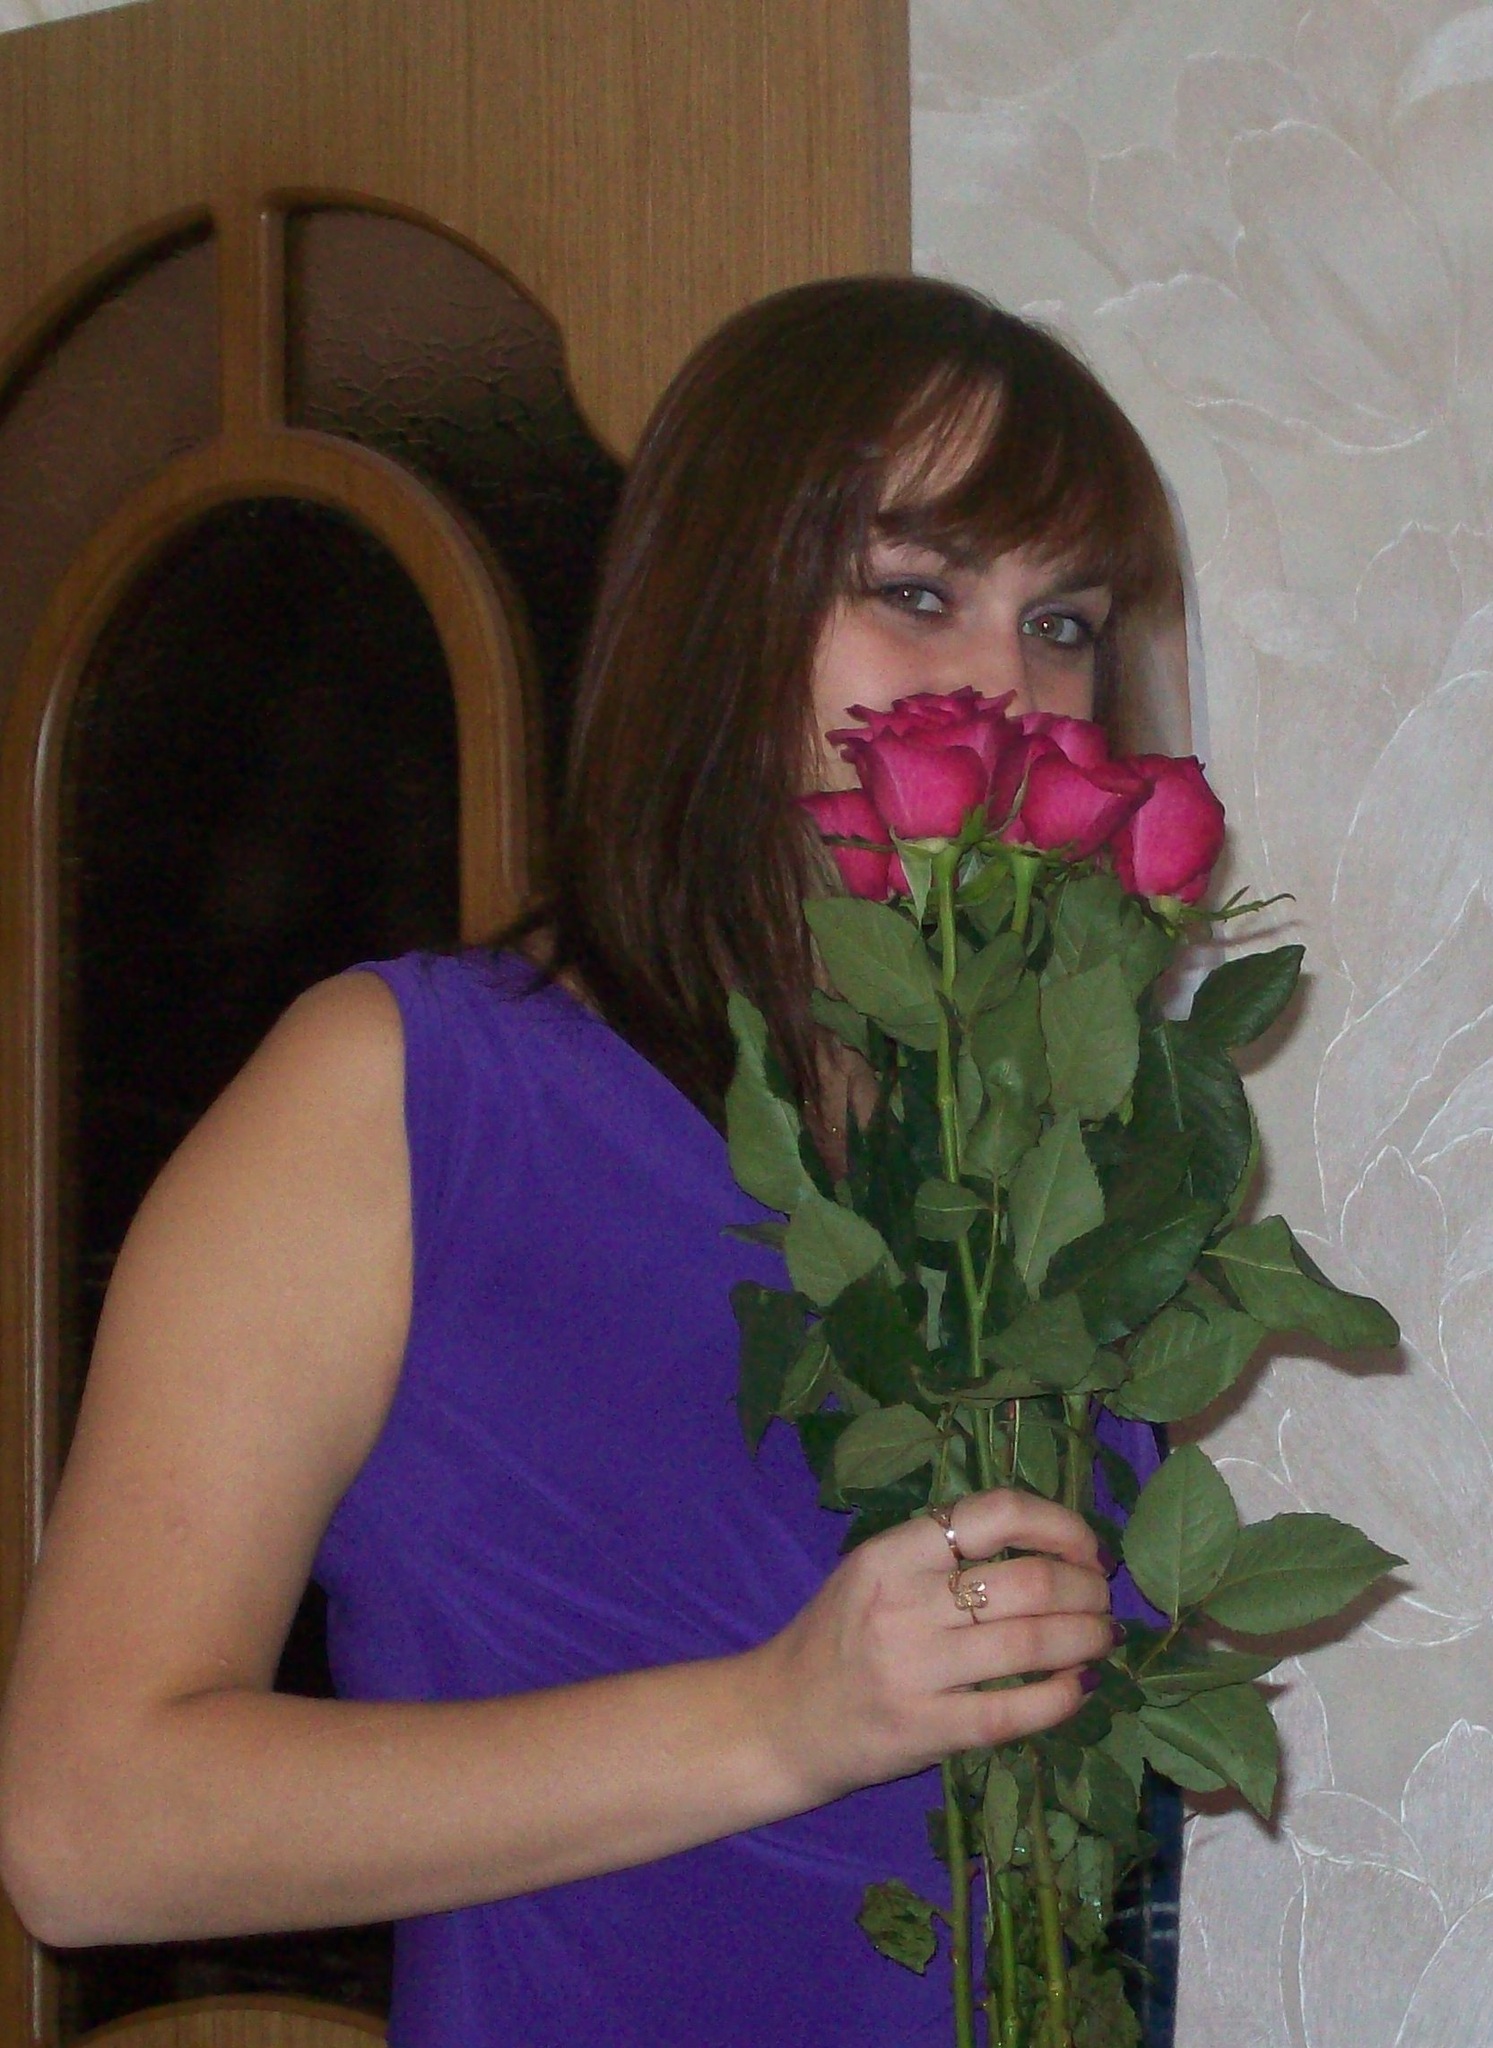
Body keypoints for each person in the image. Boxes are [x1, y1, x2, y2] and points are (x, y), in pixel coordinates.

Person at [0, 276, 1184, 2045]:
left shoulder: (1048, 1166)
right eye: (916, 592)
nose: (1005, 689)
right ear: (716, 616)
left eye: (1063, 621)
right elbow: (85, 1834)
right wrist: (778, 1720)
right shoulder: (403, 1094)